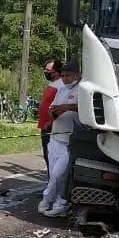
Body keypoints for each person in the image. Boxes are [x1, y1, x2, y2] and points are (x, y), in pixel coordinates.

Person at [39, 60, 81, 217]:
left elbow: (85, 107)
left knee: (59, 174)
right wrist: (53, 114)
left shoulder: (82, 90)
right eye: (62, 76)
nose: (64, 79)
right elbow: (52, 108)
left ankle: (50, 199)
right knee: (53, 174)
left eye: (67, 75)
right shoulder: (61, 90)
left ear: (76, 74)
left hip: (69, 140)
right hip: (55, 137)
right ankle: (56, 203)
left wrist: (67, 107)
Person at [37, 58, 62, 167]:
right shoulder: (52, 84)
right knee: (47, 156)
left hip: (52, 128)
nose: (46, 73)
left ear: (56, 72)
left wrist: (51, 122)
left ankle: (54, 182)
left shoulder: (61, 85)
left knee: (52, 157)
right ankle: (51, 181)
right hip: (44, 126)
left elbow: (59, 106)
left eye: (48, 71)